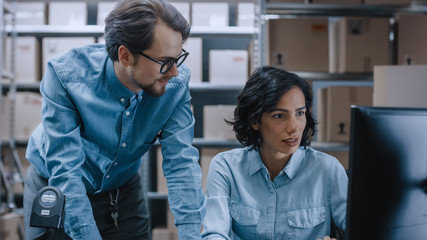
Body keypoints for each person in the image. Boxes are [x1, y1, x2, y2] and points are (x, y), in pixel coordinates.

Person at [23, 0, 206, 239]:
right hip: (56, 187)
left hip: (122, 191)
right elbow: (65, 172)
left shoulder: (175, 85)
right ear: (126, 56)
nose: (174, 72)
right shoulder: (66, 78)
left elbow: (181, 162)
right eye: (165, 62)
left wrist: (192, 235)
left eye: (177, 58)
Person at [201, 66, 348, 239]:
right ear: (255, 120)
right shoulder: (226, 168)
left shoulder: (328, 170)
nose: (294, 127)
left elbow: (365, 230)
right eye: (279, 116)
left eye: (300, 113)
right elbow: (214, 235)